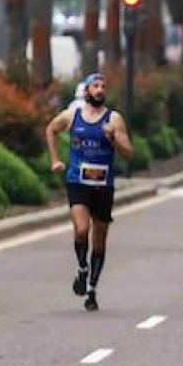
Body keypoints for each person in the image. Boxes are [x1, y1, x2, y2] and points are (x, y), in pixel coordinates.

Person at [44, 73, 133, 311]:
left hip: (104, 186)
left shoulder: (113, 119)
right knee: (82, 229)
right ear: (86, 91)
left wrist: (113, 138)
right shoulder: (73, 115)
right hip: (78, 181)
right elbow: (51, 129)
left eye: (103, 86)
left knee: (100, 239)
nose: (100, 89)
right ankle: (82, 267)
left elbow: (128, 153)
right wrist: (54, 160)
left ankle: (92, 288)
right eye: (95, 86)